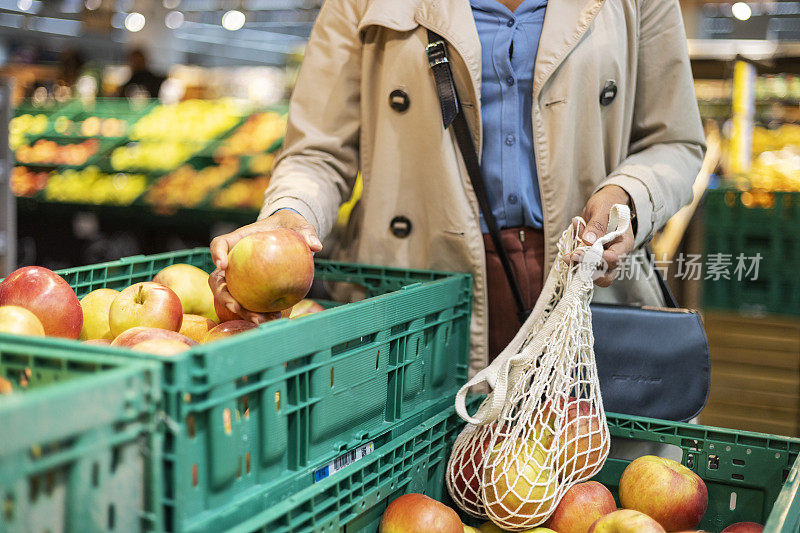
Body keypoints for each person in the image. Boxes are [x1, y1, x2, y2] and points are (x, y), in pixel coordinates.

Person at [210, 0, 705, 376]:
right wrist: (287, 221)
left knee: (586, 483)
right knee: (424, 482)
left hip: (583, 280)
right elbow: (317, 152)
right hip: (423, 289)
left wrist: (626, 198)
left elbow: (675, 142)